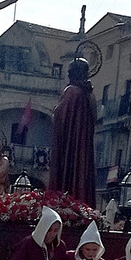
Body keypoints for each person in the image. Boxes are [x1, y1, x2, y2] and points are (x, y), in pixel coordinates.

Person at [50, 58, 97, 206]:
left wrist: (55, 112)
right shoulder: (89, 94)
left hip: (69, 147)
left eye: (69, 71)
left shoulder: (71, 92)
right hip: (82, 146)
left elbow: (61, 116)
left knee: (68, 174)